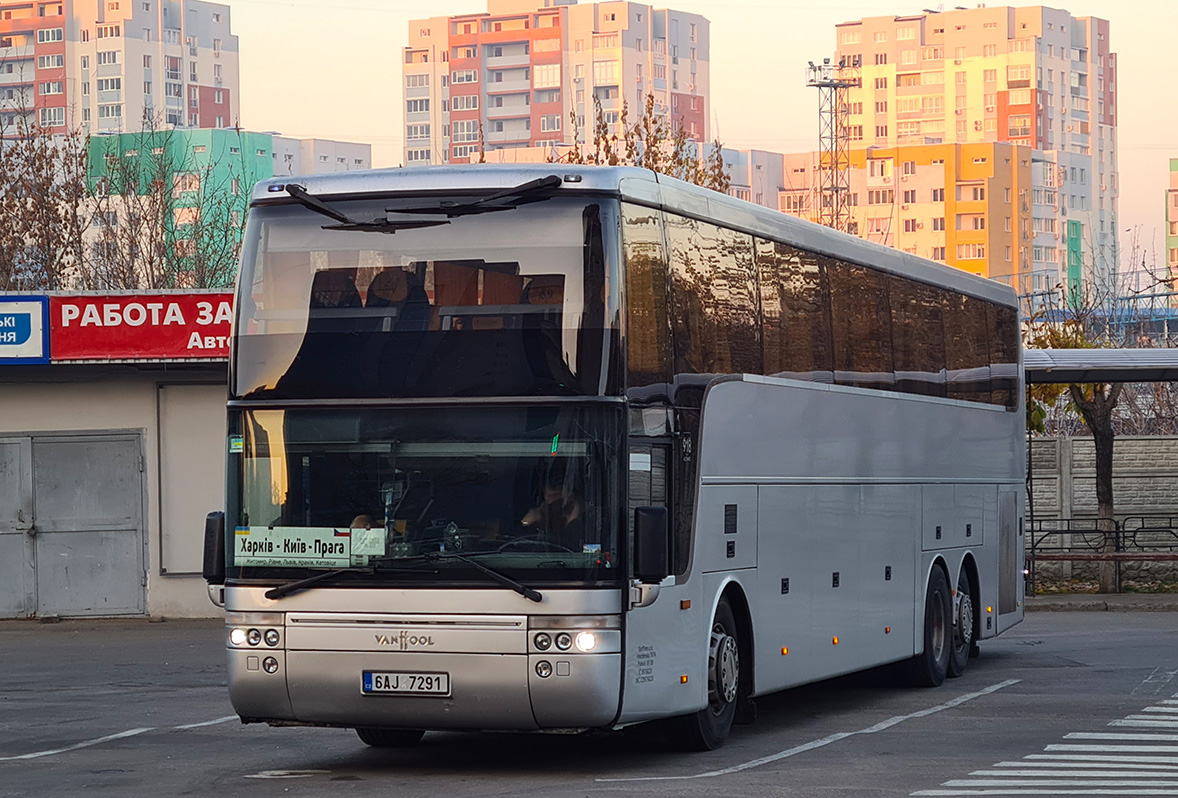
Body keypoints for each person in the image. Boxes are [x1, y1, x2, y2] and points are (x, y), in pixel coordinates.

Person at [520, 475, 584, 551]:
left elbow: (592, 554)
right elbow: (522, 535)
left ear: (569, 495)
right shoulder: (542, 514)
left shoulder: (588, 519)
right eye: (546, 495)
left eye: (555, 495)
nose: (549, 500)